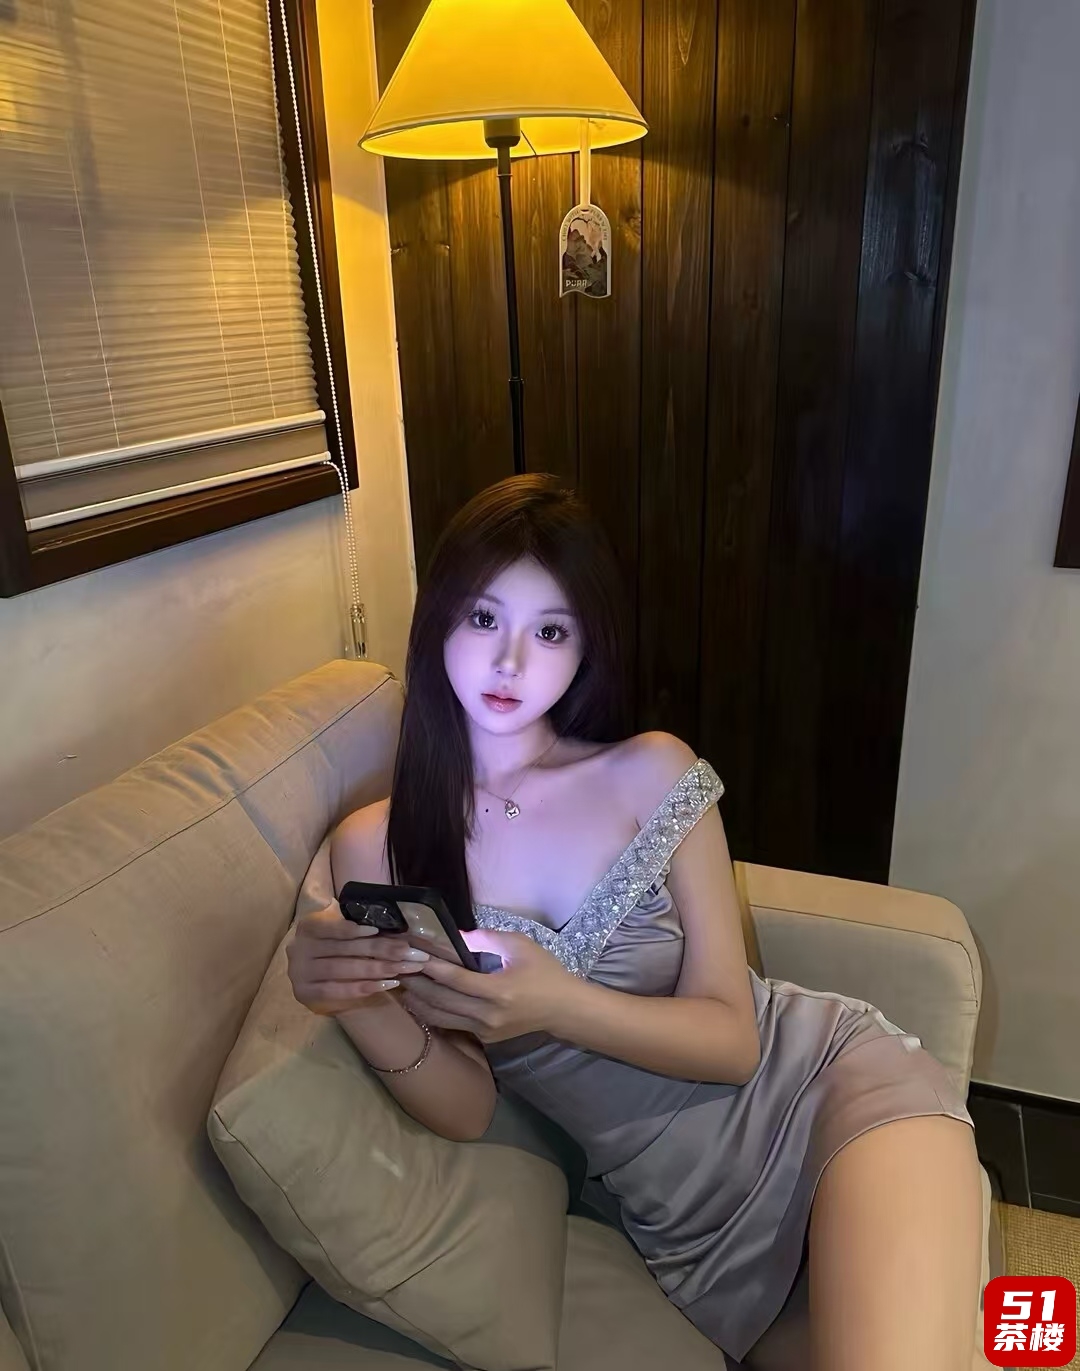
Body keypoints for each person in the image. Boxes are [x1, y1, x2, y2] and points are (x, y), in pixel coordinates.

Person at [287, 473, 983, 1370]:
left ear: (587, 646)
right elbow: (465, 1107)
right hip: (689, 1226)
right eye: (484, 617)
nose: (511, 663)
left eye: (551, 630)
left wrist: (556, 1003)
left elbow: (734, 1041)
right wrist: (355, 1000)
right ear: (438, 620)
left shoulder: (651, 771)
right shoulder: (376, 846)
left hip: (829, 1093)